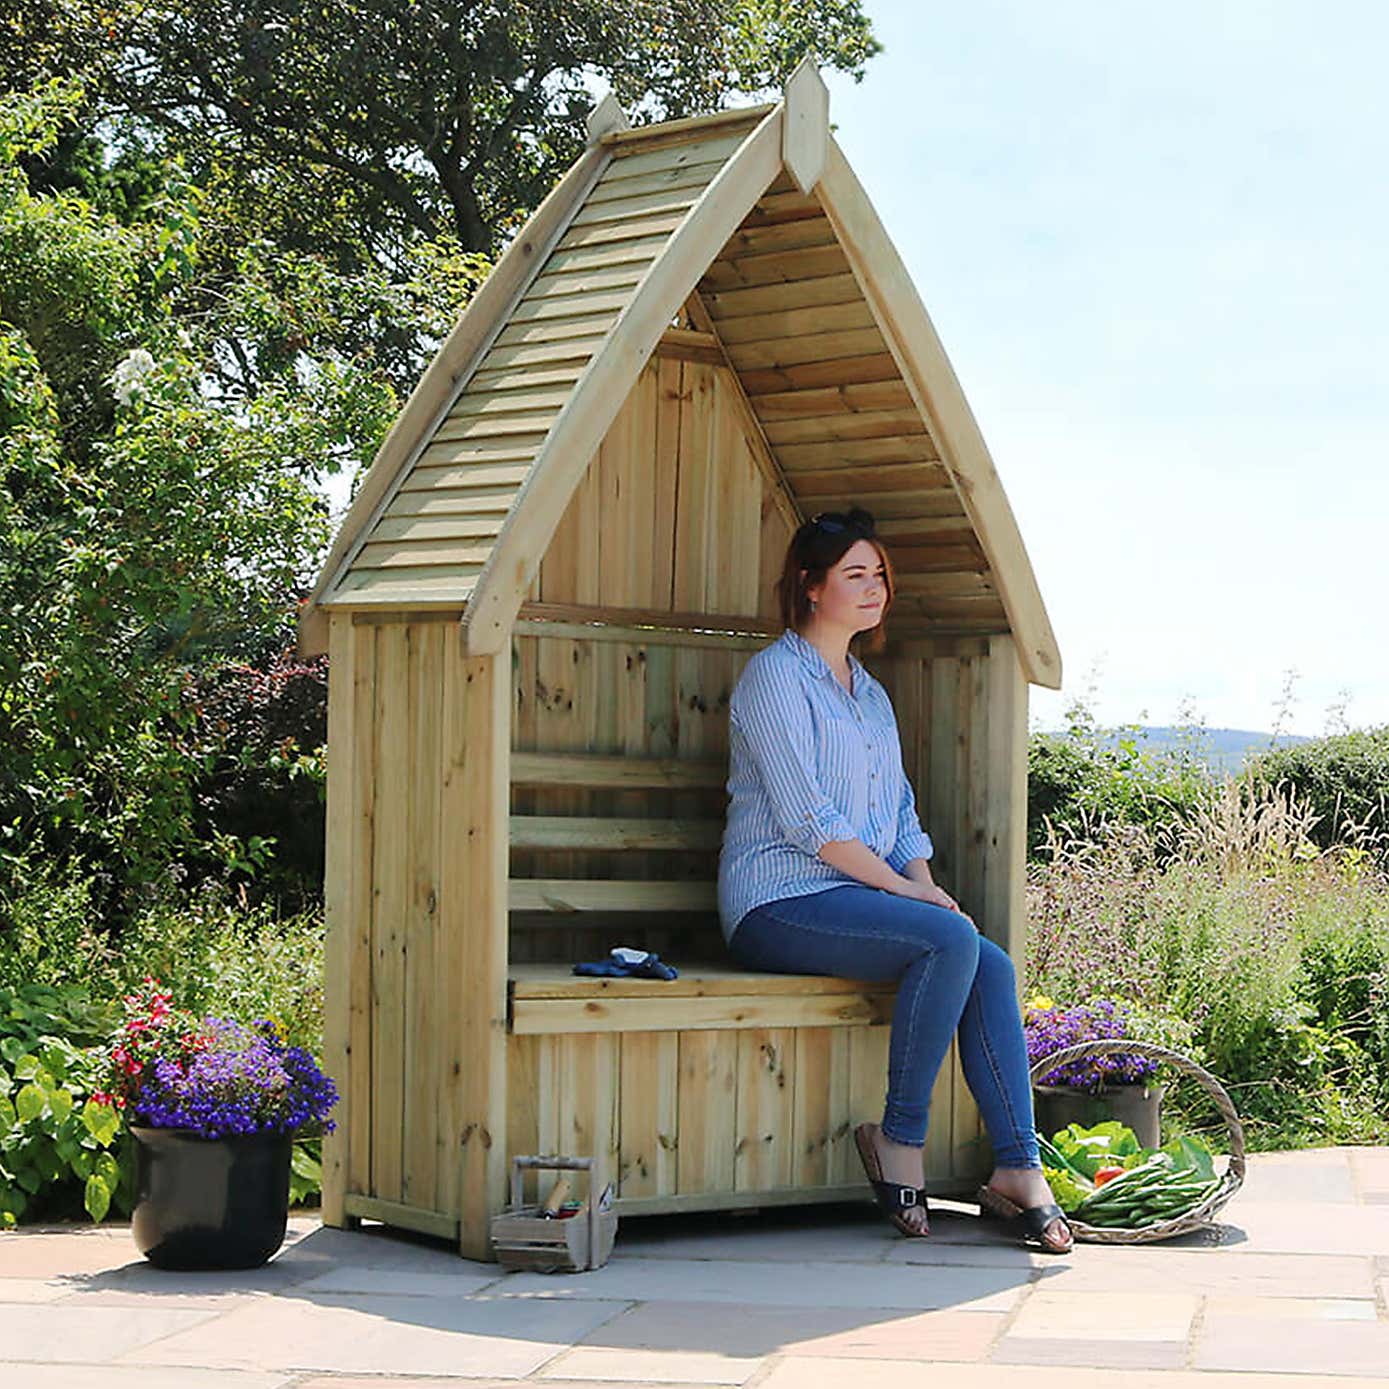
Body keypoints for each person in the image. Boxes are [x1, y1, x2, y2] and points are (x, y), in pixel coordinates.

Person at [716, 506, 1072, 1253]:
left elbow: (900, 812)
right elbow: (808, 819)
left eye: (878, 574)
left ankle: (1017, 1164)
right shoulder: (773, 678)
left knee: (984, 956)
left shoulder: (868, 692)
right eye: (855, 574)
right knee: (949, 937)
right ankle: (897, 1139)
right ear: (810, 587)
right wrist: (909, 897)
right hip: (776, 900)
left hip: (855, 894)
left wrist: (923, 882)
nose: (874, 587)